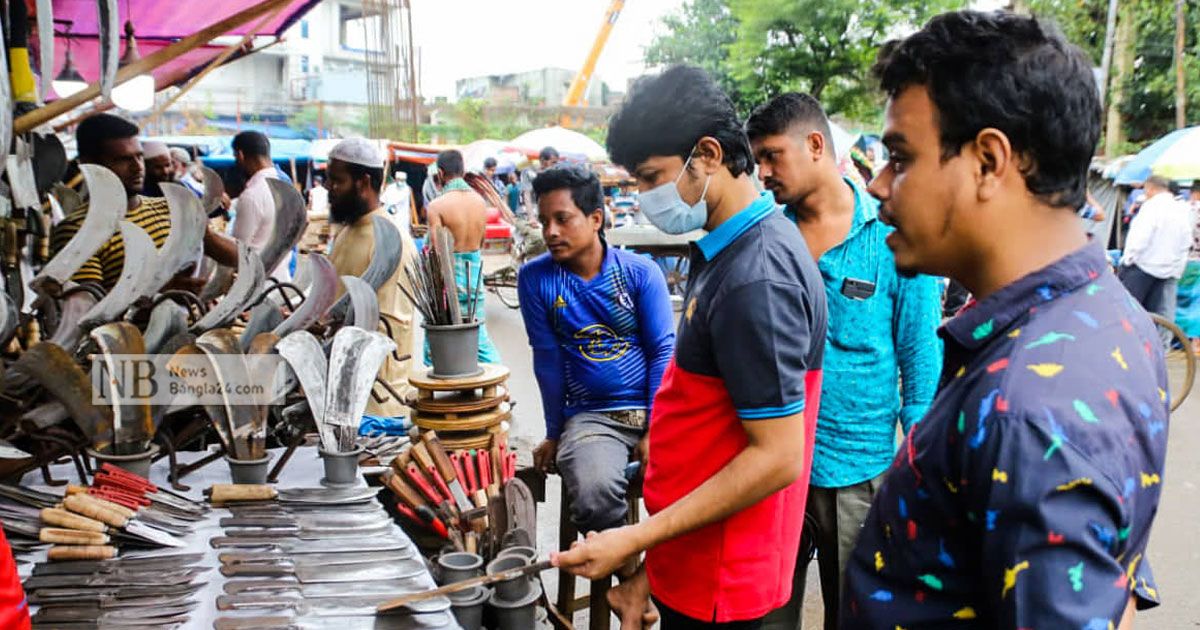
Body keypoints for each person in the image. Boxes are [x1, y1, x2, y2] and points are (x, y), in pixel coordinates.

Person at [842, 11, 1169, 629]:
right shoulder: (1111, 312)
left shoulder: (1031, 407)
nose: (881, 185)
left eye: (900, 157)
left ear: (990, 162)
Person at [553, 65, 828, 630]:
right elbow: (713, 435)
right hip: (696, 560)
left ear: (707, 154)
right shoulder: (728, 249)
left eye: (651, 176)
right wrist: (649, 573)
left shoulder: (759, 277)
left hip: (726, 588)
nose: (645, 196)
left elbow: (777, 456)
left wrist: (634, 536)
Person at [745, 92, 943, 630]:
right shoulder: (768, 238)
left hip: (859, 472)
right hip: (773, 465)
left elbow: (920, 357)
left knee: (855, 614)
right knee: (767, 614)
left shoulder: (888, 236)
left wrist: (918, 465)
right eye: (756, 159)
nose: (762, 173)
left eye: (771, 157)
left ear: (815, 146)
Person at [521, 164, 675, 537]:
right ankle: (627, 574)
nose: (551, 232)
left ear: (595, 218)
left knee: (704, 485)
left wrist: (656, 428)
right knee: (593, 494)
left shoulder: (640, 273)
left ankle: (660, 577)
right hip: (592, 419)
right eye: (544, 222)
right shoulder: (536, 279)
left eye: (562, 219)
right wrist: (554, 433)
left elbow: (662, 351)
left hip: (657, 410)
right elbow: (548, 361)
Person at [50, 114, 233, 293]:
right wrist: (155, 293)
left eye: (139, 157)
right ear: (89, 163)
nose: (138, 167)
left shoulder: (171, 210)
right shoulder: (77, 231)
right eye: (123, 159)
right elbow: (88, 311)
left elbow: (223, 251)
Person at [325, 138, 420, 420]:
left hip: (378, 402)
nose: (329, 189)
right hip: (343, 386)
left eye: (336, 181)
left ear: (362, 182)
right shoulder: (349, 230)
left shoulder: (390, 241)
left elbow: (387, 327)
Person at [425, 149, 501, 363]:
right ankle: (498, 383)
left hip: (449, 280)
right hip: (474, 274)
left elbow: (435, 250)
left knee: (437, 338)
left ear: (440, 173)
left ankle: (444, 385)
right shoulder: (479, 202)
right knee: (478, 334)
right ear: (463, 170)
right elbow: (483, 240)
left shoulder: (436, 206)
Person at [1119, 175, 1192, 323]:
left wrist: (1128, 259)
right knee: (1155, 317)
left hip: (1141, 266)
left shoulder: (1151, 207)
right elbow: (1186, 241)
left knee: (1129, 312)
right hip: (1167, 270)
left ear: (1150, 188)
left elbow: (1140, 237)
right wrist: (1176, 268)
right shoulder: (1183, 209)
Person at [229, 131, 289, 280]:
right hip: (283, 278)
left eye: (235, 157)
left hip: (258, 286)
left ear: (240, 155)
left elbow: (236, 252)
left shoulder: (252, 195)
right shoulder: (286, 183)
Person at [521, 146, 560, 210]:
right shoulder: (529, 173)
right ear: (542, 161)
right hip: (536, 209)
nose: (555, 166)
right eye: (553, 162)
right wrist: (531, 216)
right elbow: (527, 195)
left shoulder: (557, 173)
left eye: (556, 163)